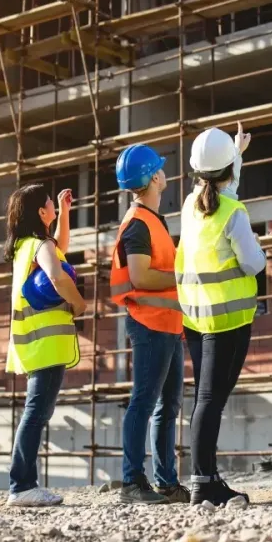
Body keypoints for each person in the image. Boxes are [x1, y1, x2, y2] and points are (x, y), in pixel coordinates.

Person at [177, 124, 266, 506]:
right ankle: (203, 483)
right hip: (228, 320)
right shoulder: (234, 212)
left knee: (206, 398)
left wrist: (236, 154)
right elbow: (254, 263)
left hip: (196, 317)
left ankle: (206, 478)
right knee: (210, 400)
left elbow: (219, 187)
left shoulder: (189, 204)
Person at [110, 145, 189, 504]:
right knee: (143, 401)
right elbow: (140, 276)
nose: (164, 173)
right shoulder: (138, 224)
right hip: (149, 324)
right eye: (160, 169)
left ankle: (166, 482)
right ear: (155, 178)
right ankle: (132, 482)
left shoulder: (152, 220)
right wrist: (183, 275)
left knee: (167, 406)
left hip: (168, 324)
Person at [5, 183, 85, 507]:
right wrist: (78, 303)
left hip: (33, 343)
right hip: (46, 344)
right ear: (41, 212)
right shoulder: (40, 245)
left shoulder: (27, 245)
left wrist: (65, 214)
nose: (54, 203)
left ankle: (22, 484)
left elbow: (58, 251)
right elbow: (57, 275)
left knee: (37, 411)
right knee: (36, 413)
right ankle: (22, 485)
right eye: (51, 202)